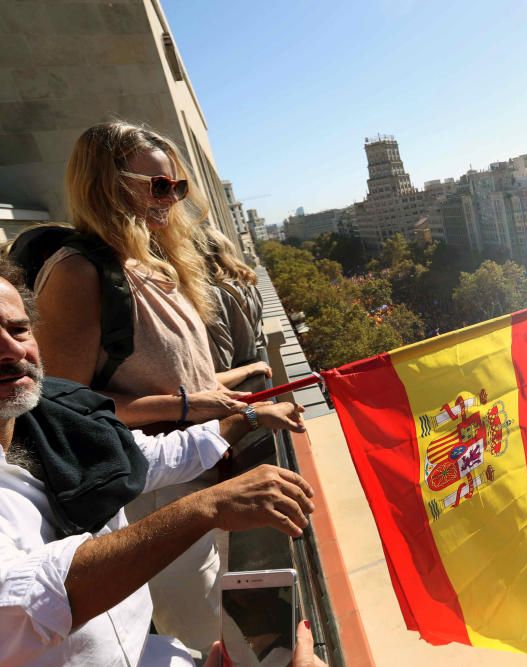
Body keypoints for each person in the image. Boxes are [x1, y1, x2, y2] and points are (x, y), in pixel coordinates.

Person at [0, 259, 315, 666]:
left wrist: (246, 418)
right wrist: (205, 508)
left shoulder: (56, 417)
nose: (11, 351)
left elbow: (144, 458)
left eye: (18, 329)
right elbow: (21, 607)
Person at [30, 120, 271, 650]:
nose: (172, 198)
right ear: (107, 185)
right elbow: (62, 409)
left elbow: (180, 375)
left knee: (230, 615)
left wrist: (241, 383)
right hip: (153, 497)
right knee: (205, 636)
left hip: (206, 470)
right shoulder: (78, 273)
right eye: (158, 186)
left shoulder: (150, 265)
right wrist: (187, 405)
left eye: (177, 186)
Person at [199, 223, 266, 385]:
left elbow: (221, 363)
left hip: (239, 383)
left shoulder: (211, 295)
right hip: (258, 367)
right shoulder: (246, 284)